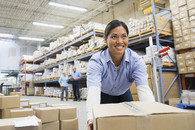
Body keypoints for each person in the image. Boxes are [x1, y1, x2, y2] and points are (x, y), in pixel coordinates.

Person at [86, 20, 155, 130]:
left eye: (124, 36)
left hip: (123, 92)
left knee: (131, 122)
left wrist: (153, 114)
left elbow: (143, 89)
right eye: (114, 37)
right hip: (104, 93)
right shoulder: (97, 61)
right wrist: (90, 117)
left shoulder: (136, 60)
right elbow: (93, 90)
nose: (120, 41)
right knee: (107, 124)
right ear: (105, 39)